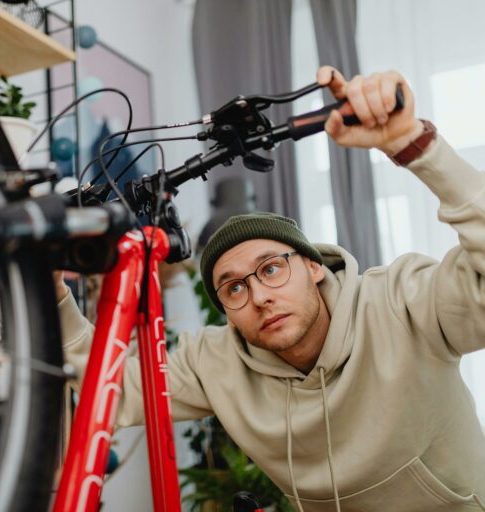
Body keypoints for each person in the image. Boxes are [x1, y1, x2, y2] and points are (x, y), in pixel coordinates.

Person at [55, 65, 485, 512]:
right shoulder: (216, 362)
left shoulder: (402, 304)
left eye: (272, 269)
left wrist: (415, 146)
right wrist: (56, 296)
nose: (259, 296)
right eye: (234, 288)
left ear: (313, 266)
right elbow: (113, 388)